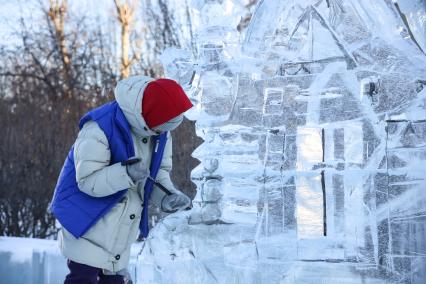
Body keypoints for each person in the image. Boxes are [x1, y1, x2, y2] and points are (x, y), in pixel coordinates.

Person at [49, 75, 193, 284]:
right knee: (84, 279)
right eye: (163, 127)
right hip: (86, 221)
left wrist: (166, 197)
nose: (165, 133)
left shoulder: (161, 131)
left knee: (114, 280)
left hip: (121, 226)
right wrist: (126, 173)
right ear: (151, 117)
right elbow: (88, 180)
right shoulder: (99, 127)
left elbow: (158, 172)